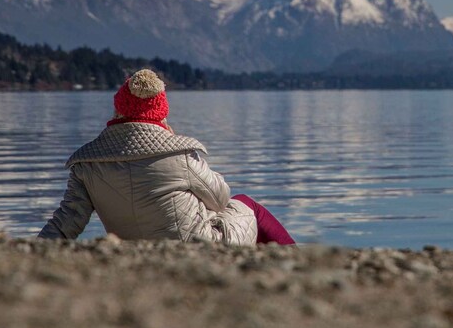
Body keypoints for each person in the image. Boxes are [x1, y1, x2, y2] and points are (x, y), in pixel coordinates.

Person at [38, 69, 295, 245]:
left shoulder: (87, 163)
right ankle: (293, 260)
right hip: (201, 247)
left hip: (134, 252)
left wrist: (34, 250)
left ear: (118, 110)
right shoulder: (178, 153)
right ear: (161, 112)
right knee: (248, 205)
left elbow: (67, 222)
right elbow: (221, 199)